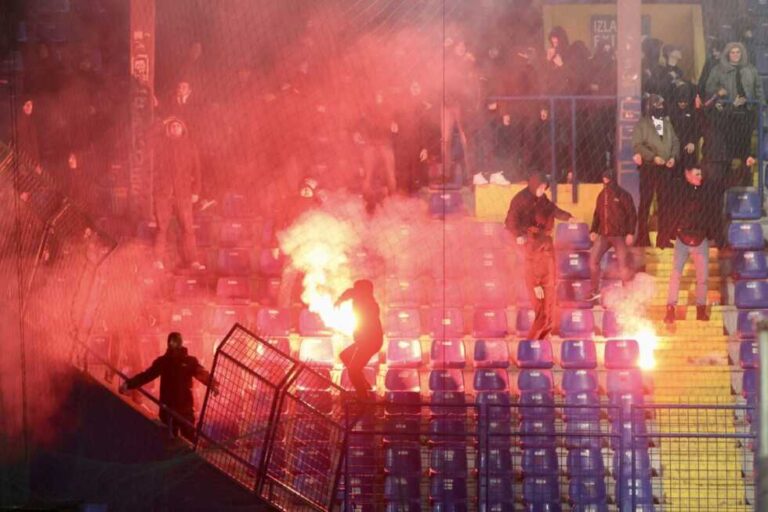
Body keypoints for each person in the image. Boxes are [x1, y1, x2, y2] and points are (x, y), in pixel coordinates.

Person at [505, 173, 574, 339]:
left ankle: (540, 348)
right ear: (534, 185)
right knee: (541, 317)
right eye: (541, 187)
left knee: (548, 319)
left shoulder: (543, 201)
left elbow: (554, 210)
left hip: (543, 257)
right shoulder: (520, 199)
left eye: (545, 188)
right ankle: (530, 347)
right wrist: (518, 236)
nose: (543, 190)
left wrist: (569, 217)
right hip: (526, 241)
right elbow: (510, 222)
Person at [120, 332, 217, 440]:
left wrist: (213, 384)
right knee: (170, 441)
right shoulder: (164, 362)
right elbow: (146, 376)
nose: (173, 344)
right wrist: (128, 384)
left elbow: (201, 373)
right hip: (169, 409)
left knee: (190, 440)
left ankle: (190, 455)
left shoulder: (188, 361)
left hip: (184, 409)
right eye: (171, 341)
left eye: (175, 341)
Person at [152, 116, 205, 271]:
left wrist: (196, 191)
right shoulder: (161, 145)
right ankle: (157, 261)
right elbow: (148, 137)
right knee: (162, 228)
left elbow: (197, 170)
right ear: (169, 130)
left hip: (184, 194)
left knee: (188, 228)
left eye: (178, 126)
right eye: (172, 126)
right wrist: (163, 121)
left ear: (183, 129)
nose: (175, 128)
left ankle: (193, 261)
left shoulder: (190, 146)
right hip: (164, 194)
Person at [664, 167, 714, 324]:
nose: (701, 176)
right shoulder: (680, 191)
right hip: (682, 239)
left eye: (701, 173)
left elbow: (711, 214)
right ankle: (670, 309)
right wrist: (674, 230)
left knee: (702, 277)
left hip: (700, 240)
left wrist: (710, 234)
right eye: (697, 174)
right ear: (689, 175)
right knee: (675, 274)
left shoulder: (706, 193)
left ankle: (701, 309)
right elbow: (671, 210)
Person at [631, 94, 680, 249]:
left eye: (662, 105)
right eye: (658, 105)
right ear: (650, 106)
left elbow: (675, 142)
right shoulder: (642, 124)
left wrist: (673, 157)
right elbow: (637, 145)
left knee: (665, 205)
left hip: (666, 170)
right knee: (645, 204)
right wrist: (653, 158)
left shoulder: (667, 123)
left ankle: (663, 239)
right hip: (649, 169)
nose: (661, 108)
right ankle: (642, 238)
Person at [588, 169, 637, 300]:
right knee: (593, 261)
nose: (606, 182)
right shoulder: (601, 195)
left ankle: (627, 293)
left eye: (608, 179)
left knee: (623, 266)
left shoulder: (623, 195)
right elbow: (597, 214)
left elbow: (632, 215)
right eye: (604, 179)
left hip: (619, 236)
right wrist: (593, 230)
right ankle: (594, 290)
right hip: (603, 235)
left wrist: (630, 233)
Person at [335, 280, 383, 400]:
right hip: (363, 341)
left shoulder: (370, 305)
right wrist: (340, 300)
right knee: (345, 356)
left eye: (358, 290)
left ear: (364, 292)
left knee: (353, 370)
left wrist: (359, 335)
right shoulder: (360, 297)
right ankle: (363, 383)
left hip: (370, 341)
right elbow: (350, 292)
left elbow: (368, 325)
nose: (355, 292)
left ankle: (363, 399)